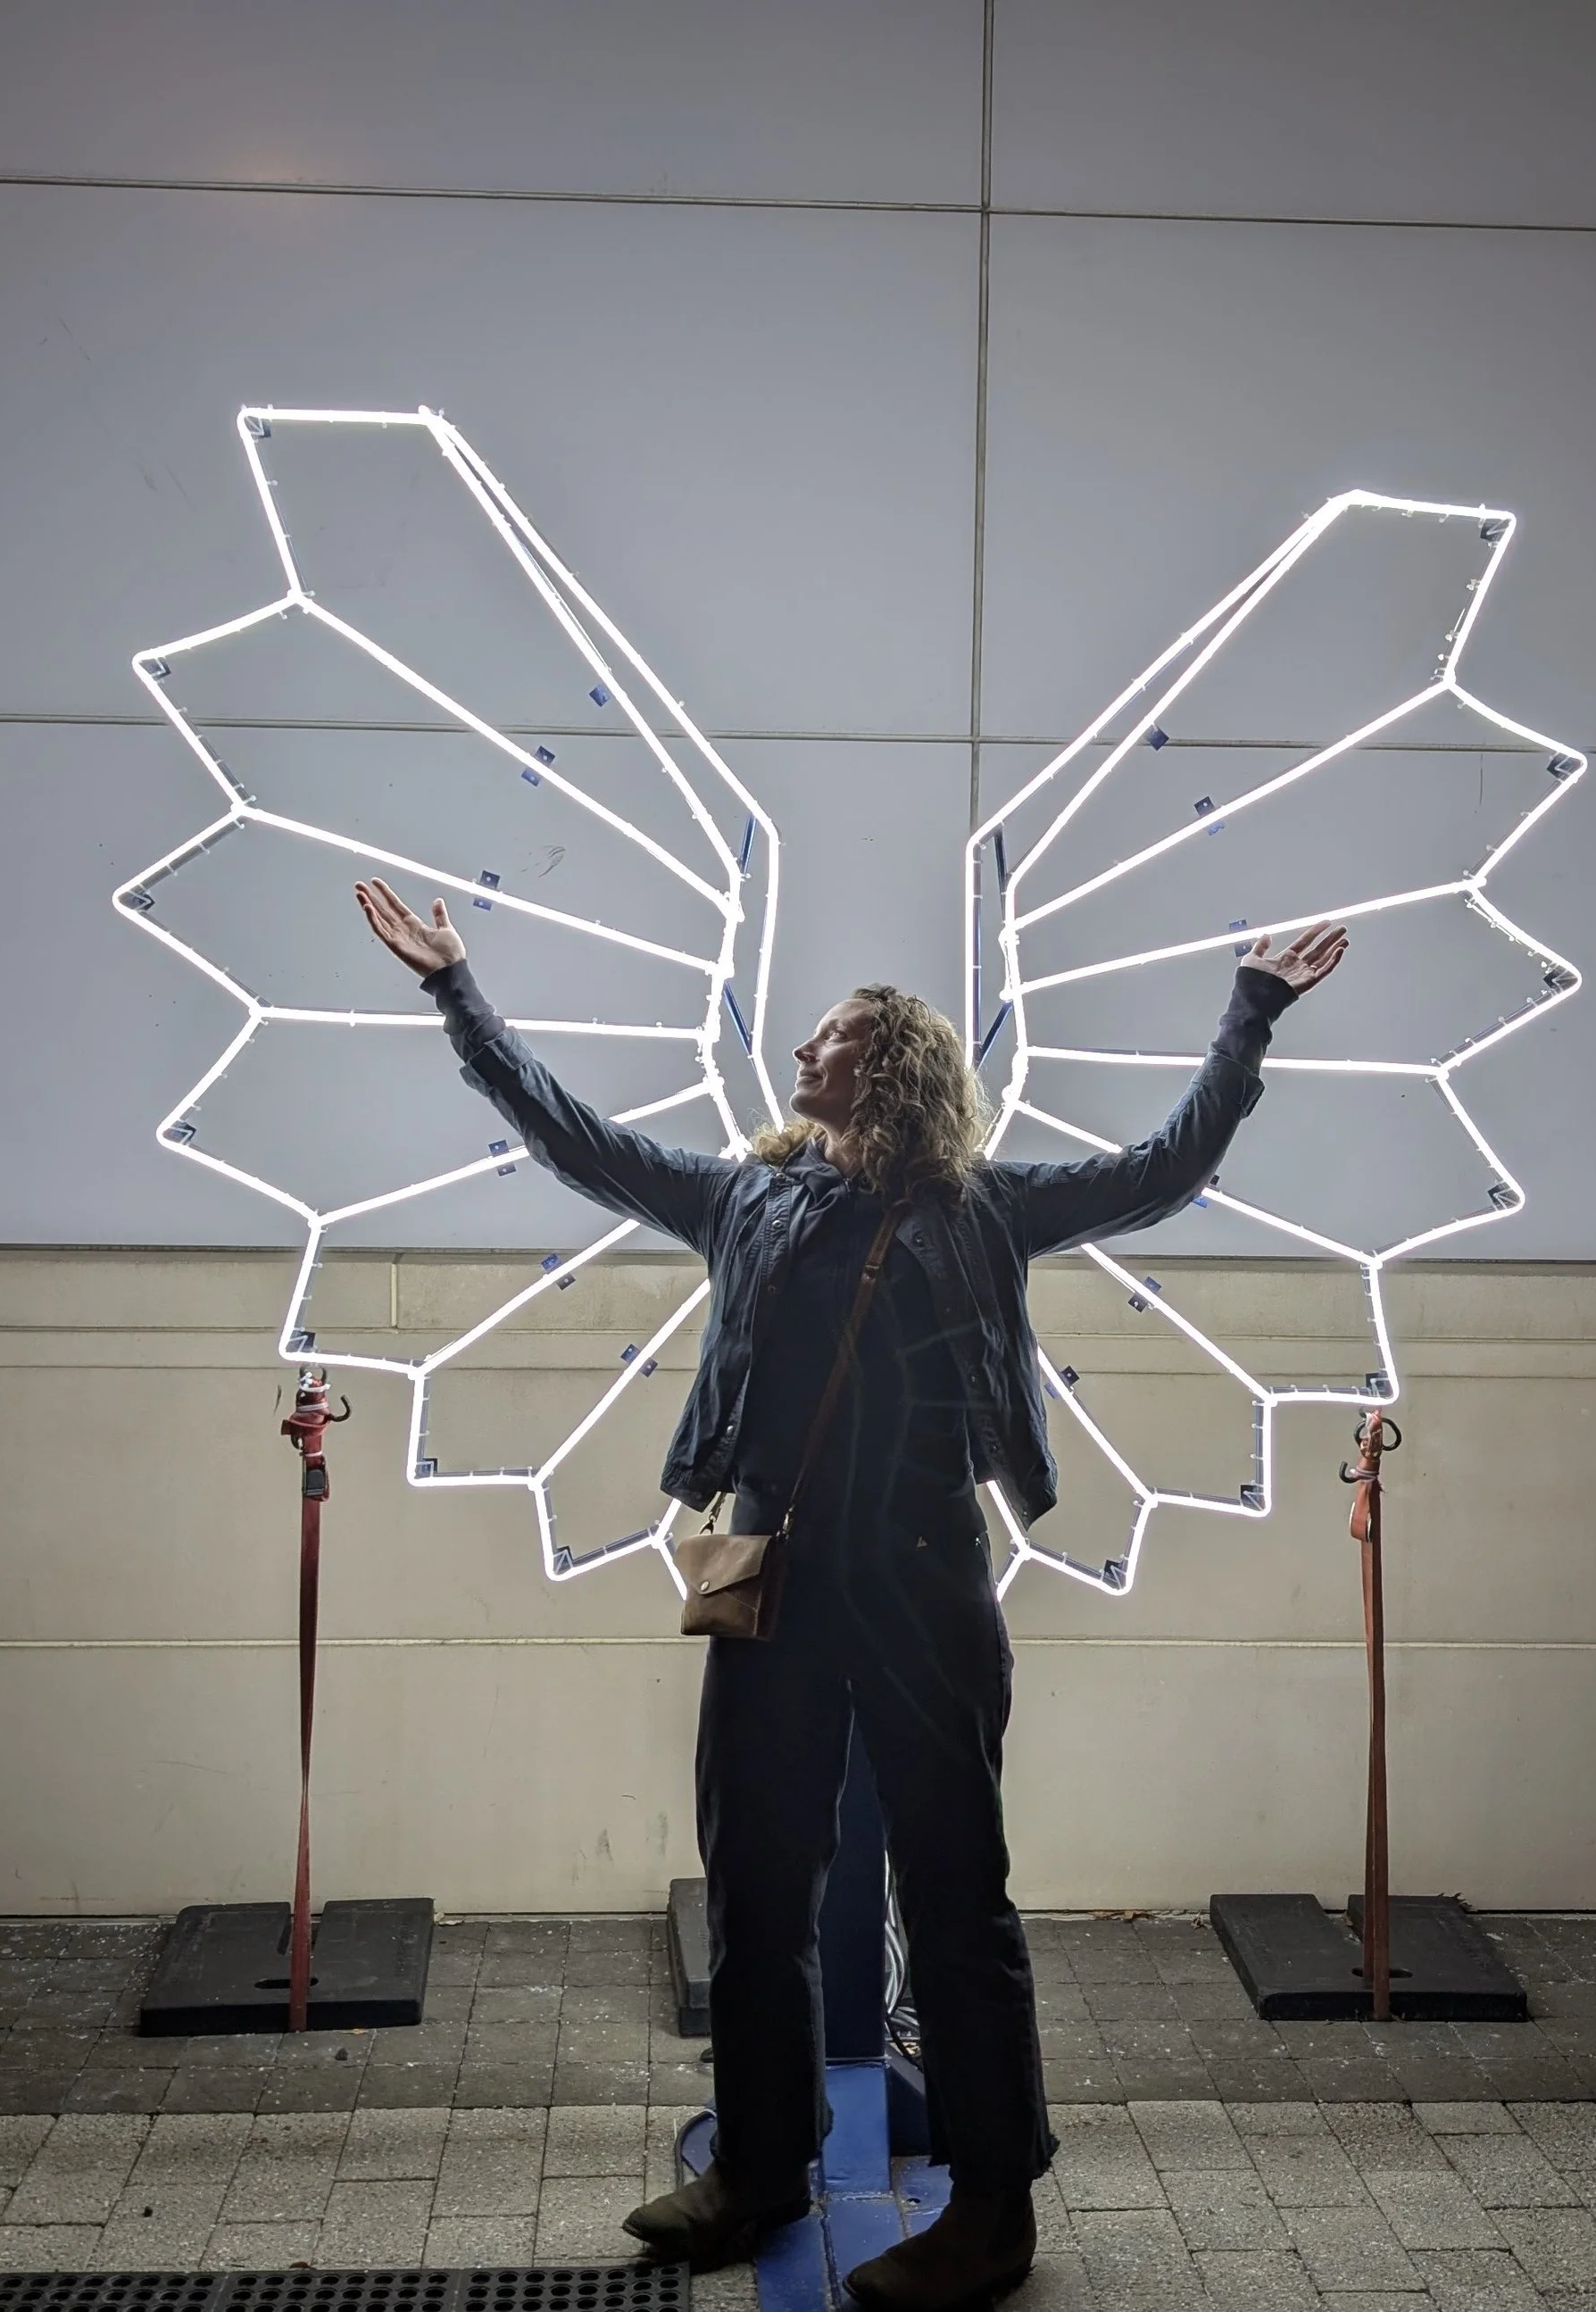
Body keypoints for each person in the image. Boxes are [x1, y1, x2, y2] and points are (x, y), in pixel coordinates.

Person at [355, 875, 1347, 2309]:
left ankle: (993, 2214)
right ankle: (762, 2167)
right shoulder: (747, 1194)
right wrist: (457, 990)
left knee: (955, 1895)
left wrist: (1249, 1015)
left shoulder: (980, 1207)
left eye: (827, 1034)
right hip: (775, 1580)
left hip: (929, 1581)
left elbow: (1162, 1169)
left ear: (886, 1064)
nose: (802, 1049)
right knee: (758, 1889)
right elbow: (571, 1138)